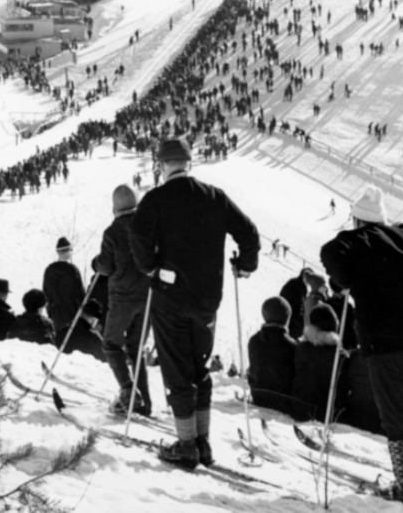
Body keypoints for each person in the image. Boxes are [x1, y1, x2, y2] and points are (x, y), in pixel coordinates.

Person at [130, 137, 260, 470]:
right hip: (206, 300)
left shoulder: (155, 199)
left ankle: (186, 444)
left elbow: (138, 238)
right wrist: (245, 265)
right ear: (190, 163)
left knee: (177, 369)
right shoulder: (214, 196)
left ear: (161, 165)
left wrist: (150, 267)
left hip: (169, 298)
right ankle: (203, 441)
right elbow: (249, 232)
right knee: (199, 368)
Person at [320, 185, 403, 507]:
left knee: (394, 418)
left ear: (358, 221)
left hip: (385, 345)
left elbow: (331, 253)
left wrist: (346, 279)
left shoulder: (359, 241)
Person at [95, 183, 152, 416]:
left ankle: (129, 391)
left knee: (111, 344)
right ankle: (145, 402)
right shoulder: (148, 226)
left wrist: (96, 263)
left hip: (121, 299)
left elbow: (106, 267)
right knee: (137, 349)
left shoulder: (113, 232)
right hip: (147, 297)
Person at [247, 295, 298, 417]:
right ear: (287, 319)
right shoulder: (292, 346)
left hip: (259, 398)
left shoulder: (254, 340)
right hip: (283, 404)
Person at [43, 237, 86, 336]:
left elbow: (46, 294)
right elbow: (79, 295)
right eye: (70, 250)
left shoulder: (49, 270)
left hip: (56, 315)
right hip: (72, 314)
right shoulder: (73, 270)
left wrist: (50, 313)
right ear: (67, 252)